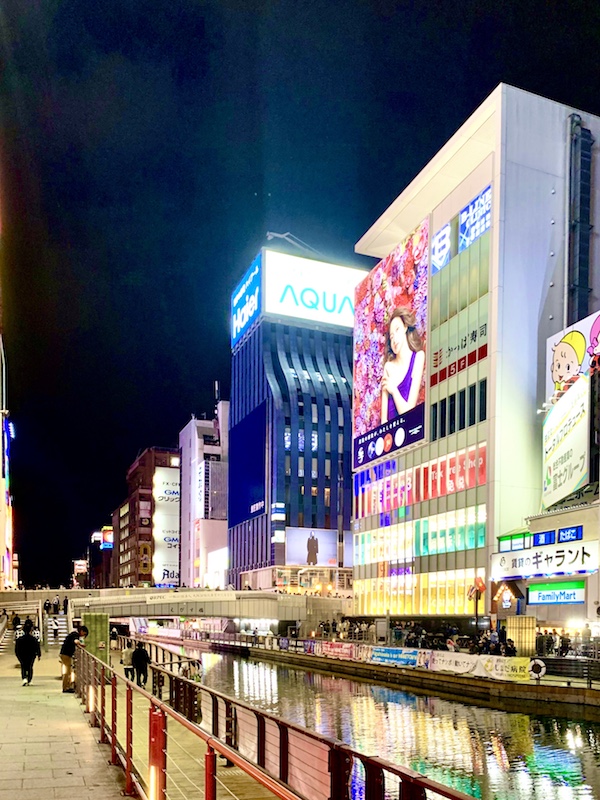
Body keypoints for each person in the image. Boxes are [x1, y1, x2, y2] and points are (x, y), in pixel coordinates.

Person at [381, 307, 425, 422]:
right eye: (391, 336)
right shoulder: (388, 367)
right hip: (389, 437)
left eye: (397, 330)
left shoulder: (418, 357)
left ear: (405, 327)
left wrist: (394, 390)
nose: (394, 338)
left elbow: (408, 413)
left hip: (409, 433)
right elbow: (383, 421)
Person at [60, 625, 89, 693]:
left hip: (65, 654)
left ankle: (68, 686)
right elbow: (76, 641)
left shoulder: (73, 634)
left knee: (69, 671)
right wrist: (81, 645)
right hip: (66, 655)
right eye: (84, 634)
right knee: (67, 672)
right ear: (81, 631)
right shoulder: (75, 635)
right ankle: (65, 688)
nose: (83, 636)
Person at [15, 620, 41, 686]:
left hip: (22, 655)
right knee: (30, 666)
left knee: (23, 666)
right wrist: (38, 654)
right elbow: (37, 647)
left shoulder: (19, 640)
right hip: (31, 655)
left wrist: (18, 655)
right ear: (30, 630)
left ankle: (24, 678)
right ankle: (29, 679)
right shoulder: (33, 639)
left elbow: (16, 649)